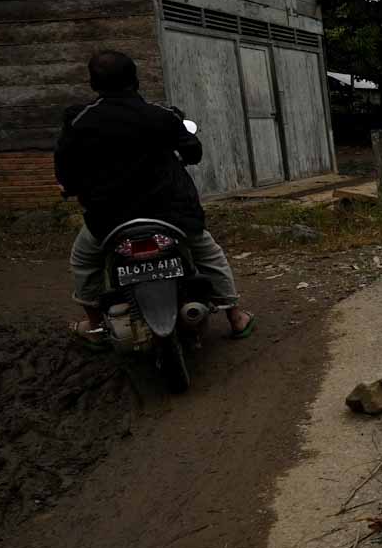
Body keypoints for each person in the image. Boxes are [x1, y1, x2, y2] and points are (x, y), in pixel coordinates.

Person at [56, 50, 254, 346]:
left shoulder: (79, 121)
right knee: (208, 254)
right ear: (135, 80)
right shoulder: (162, 115)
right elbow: (193, 152)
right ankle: (236, 317)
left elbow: (65, 170)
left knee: (84, 262)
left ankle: (96, 326)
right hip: (172, 213)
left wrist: (71, 187)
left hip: (110, 219)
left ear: (93, 83)